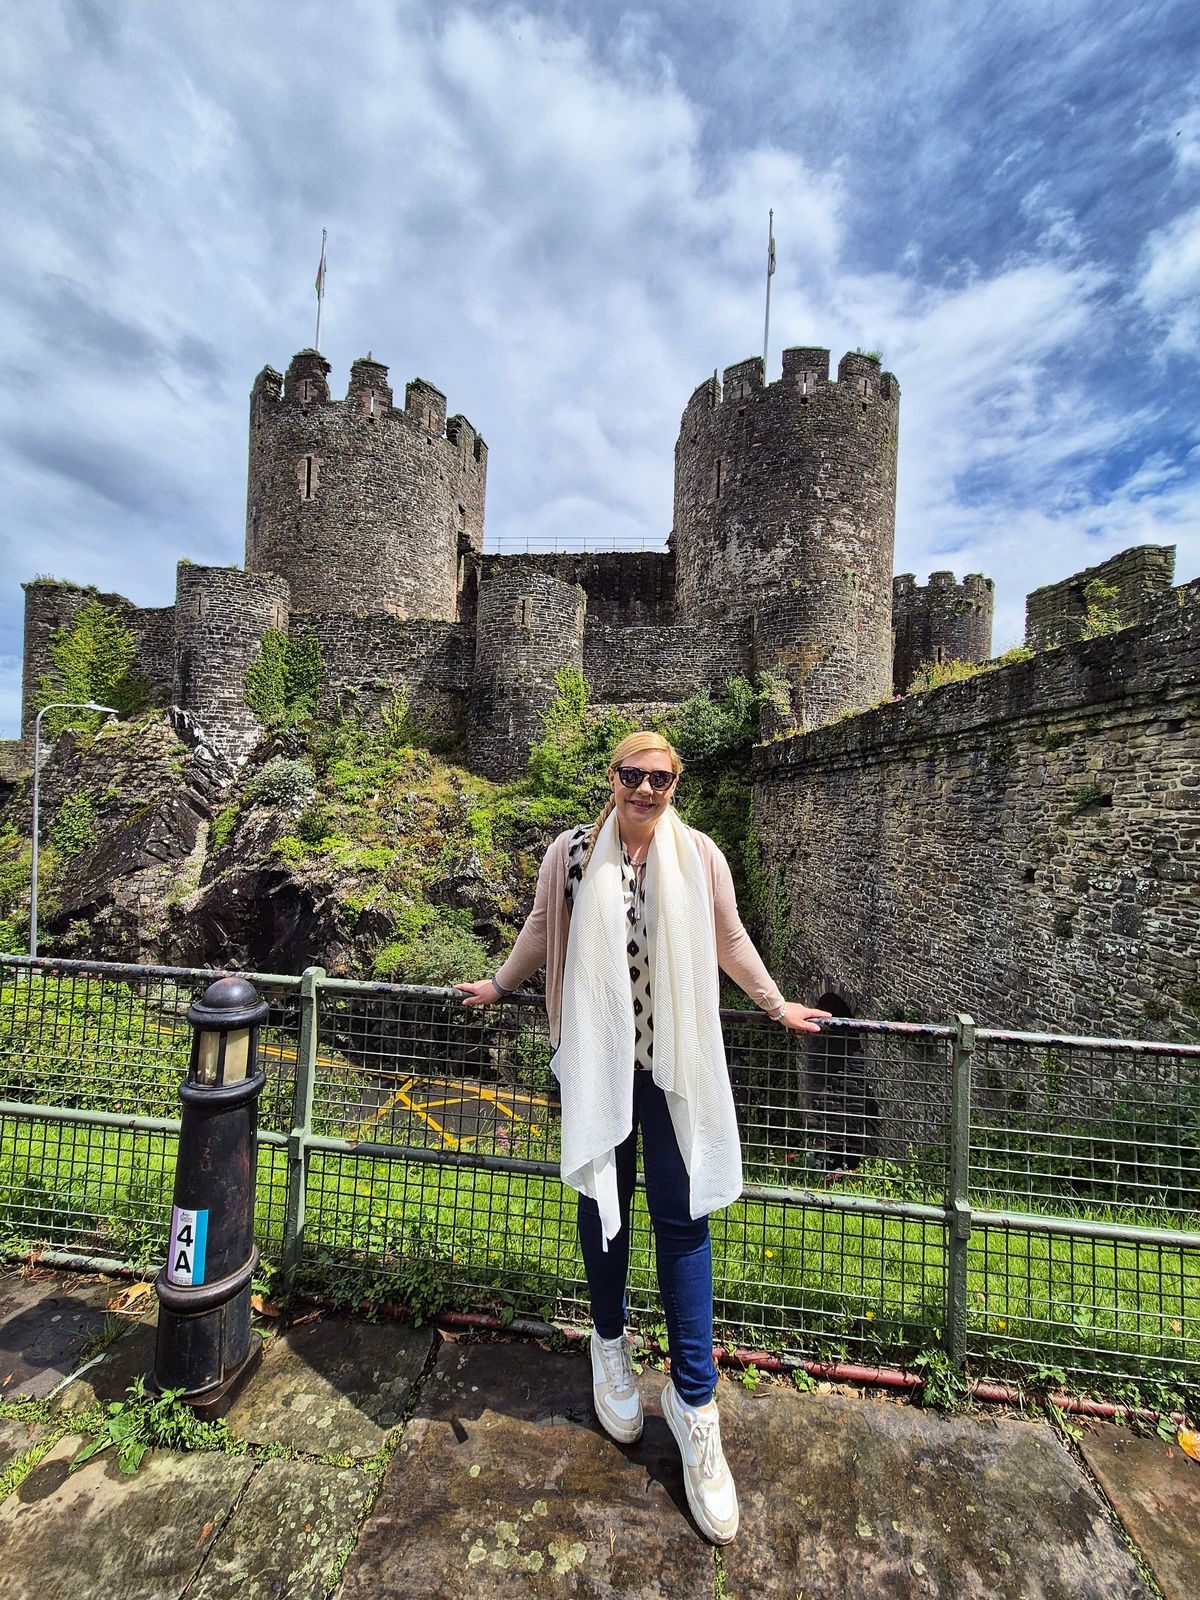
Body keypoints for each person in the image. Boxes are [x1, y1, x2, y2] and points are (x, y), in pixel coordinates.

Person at [457, 731, 828, 1543]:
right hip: (600, 1066)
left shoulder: (699, 855)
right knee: (604, 1209)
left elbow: (728, 940)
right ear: (613, 778)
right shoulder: (574, 853)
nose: (647, 789)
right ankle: (610, 1343)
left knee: (683, 1221)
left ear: (675, 782)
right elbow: (540, 929)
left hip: (671, 1072)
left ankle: (696, 1405)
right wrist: (498, 982)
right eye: (634, 775)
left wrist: (776, 1006)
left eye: (660, 778)